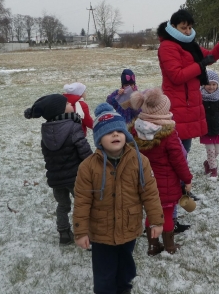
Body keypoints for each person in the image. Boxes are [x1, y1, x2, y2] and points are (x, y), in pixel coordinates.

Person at [73, 103, 164, 294]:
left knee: (125, 270)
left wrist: (156, 220)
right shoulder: (87, 167)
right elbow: (82, 201)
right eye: (108, 132)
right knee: (104, 276)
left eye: (118, 131)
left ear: (126, 134)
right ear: (99, 139)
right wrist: (81, 232)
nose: (115, 135)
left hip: (129, 228)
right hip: (100, 232)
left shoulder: (140, 161)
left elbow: (150, 193)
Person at [156, 9, 219, 153]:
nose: (187, 31)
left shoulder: (190, 44)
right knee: (177, 150)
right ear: (173, 27)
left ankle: (180, 174)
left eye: (190, 27)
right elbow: (177, 76)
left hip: (189, 103)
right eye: (183, 27)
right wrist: (200, 65)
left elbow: (209, 56)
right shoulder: (167, 46)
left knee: (184, 148)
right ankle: (178, 176)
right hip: (177, 103)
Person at [128, 87, 193, 254]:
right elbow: (179, 160)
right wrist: (187, 179)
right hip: (166, 184)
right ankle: (169, 246)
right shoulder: (168, 134)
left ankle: (153, 245)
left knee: (151, 213)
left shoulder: (135, 130)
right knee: (166, 214)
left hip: (144, 183)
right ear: (164, 111)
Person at [24, 94, 92, 245]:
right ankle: (86, 232)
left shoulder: (46, 132)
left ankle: (64, 233)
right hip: (75, 178)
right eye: (67, 103)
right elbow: (84, 149)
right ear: (60, 110)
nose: (70, 104)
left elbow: (47, 155)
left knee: (63, 205)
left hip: (56, 180)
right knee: (84, 204)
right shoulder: (73, 127)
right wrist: (93, 164)